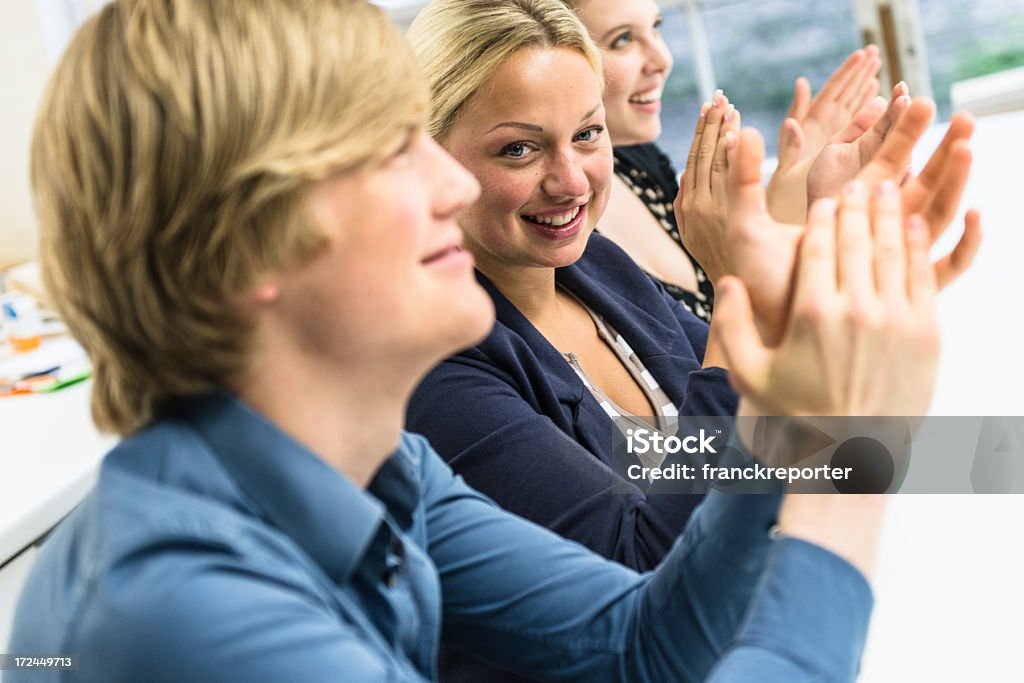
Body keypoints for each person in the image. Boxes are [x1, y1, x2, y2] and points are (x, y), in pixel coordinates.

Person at [8, 0, 969, 681]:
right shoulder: (184, 614)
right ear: (247, 240)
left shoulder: (386, 469)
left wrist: (803, 405)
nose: (454, 188)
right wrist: (840, 442)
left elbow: (643, 647)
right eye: (392, 149)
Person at [404, 0, 979, 679]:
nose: (568, 180)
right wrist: (743, 295)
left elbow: (798, 448)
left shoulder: (598, 268)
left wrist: (820, 251)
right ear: (428, 160)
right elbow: (647, 583)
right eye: (518, 149)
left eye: (587, 135)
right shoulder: (440, 371)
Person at [559, 0, 883, 321]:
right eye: (623, 40)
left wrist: (784, 204)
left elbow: (725, 297)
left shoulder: (640, 163)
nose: (662, 60)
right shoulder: (560, 231)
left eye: (656, 27)